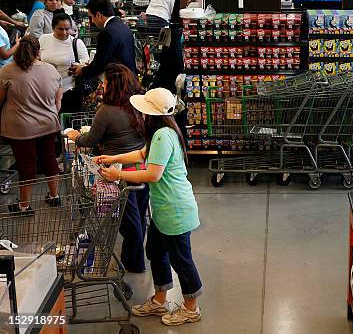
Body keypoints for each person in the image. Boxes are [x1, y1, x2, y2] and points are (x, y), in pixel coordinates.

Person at [96, 87, 202, 326]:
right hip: (163, 211)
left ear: (150, 114)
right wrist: (112, 159)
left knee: (182, 260)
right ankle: (160, 299)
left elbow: (153, 175)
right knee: (155, 251)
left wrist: (117, 176)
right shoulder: (160, 133)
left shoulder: (163, 135)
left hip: (175, 211)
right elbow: (140, 155)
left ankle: (191, 308)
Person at [65, 64, 150, 273]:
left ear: (114, 85)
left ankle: (136, 264)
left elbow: (90, 139)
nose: (101, 86)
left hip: (118, 172)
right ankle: (131, 258)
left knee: (128, 223)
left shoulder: (107, 110)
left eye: (104, 82)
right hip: (141, 168)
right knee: (139, 216)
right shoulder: (140, 105)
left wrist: (75, 136)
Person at [0, 35, 62, 214]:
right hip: (48, 124)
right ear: (38, 51)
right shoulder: (51, 70)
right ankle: (54, 196)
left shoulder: (7, 71)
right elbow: (58, 102)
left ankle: (24, 205)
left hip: (20, 127)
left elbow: (0, 99)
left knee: (26, 165)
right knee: (50, 159)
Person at [71, 0, 136, 79]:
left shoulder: (107, 33)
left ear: (98, 15)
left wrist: (82, 70)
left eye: (91, 17)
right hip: (130, 77)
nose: (93, 21)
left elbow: (100, 64)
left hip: (119, 81)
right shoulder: (123, 26)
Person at [39, 13, 89, 113]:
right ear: (53, 28)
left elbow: (86, 65)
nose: (65, 32)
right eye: (60, 29)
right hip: (46, 91)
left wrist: (77, 67)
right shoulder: (43, 39)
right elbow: (37, 58)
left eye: (67, 29)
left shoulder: (76, 43)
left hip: (69, 91)